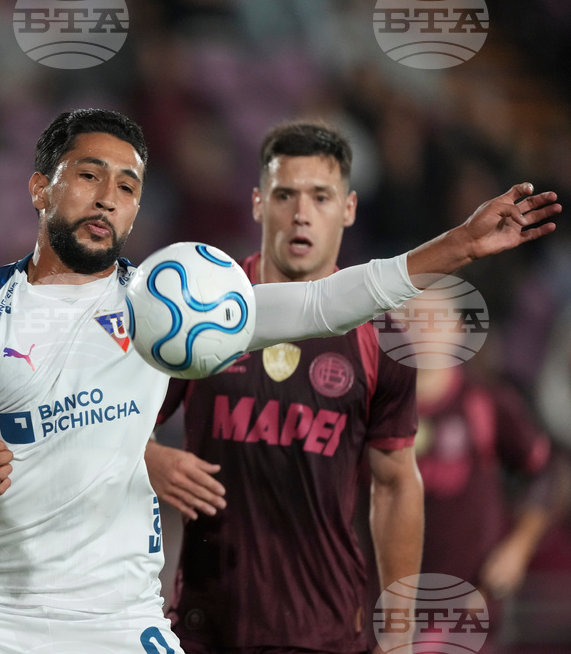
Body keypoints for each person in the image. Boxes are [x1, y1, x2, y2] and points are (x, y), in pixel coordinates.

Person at [0, 108, 558, 654]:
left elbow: (319, 300)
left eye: (128, 185)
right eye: (89, 175)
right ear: (40, 187)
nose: (109, 197)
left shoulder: (164, 306)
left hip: (121, 622)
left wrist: (459, 244)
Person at [146, 122, 421, 654]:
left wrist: (400, 633)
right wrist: (149, 458)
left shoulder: (384, 341)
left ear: (349, 208)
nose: (301, 213)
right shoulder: (199, 312)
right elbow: (117, 424)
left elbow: (396, 484)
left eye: (321, 197)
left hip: (326, 630)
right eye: (284, 194)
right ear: (257, 203)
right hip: (208, 625)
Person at [412, 362, 568, 652]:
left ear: (456, 330)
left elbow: (545, 471)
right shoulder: (371, 405)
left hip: (466, 596)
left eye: (434, 320)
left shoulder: (483, 401)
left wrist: (519, 546)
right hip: (379, 595)